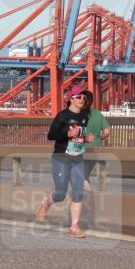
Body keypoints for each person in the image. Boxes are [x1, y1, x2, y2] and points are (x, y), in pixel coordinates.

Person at [36, 85, 93, 239]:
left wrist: (86, 138)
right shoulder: (62, 116)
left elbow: (79, 138)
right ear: (71, 99)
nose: (83, 99)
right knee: (60, 193)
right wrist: (67, 133)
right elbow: (51, 135)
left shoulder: (84, 118)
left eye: (84, 97)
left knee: (78, 192)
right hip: (61, 157)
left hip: (77, 158)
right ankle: (45, 204)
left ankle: (74, 227)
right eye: (79, 96)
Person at [80, 90, 111, 191]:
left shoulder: (77, 114)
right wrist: (98, 138)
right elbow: (106, 131)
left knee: (82, 173)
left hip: (80, 148)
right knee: (86, 172)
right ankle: (88, 192)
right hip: (96, 148)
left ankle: (86, 191)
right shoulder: (98, 114)